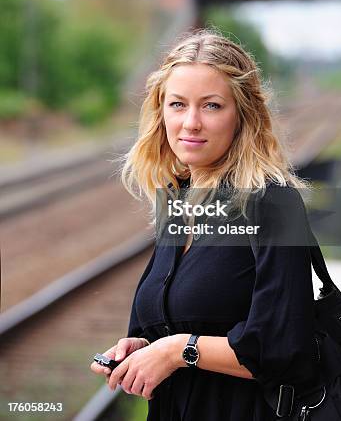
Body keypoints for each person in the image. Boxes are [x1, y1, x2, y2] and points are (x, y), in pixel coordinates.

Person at [90, 29, 320, 420]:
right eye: (178, 104)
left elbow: (281, 347)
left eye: (212, 106)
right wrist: (145, 345)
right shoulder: (178, 202)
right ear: (160, 112)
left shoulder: (273, 203)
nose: (191, 123)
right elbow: (187, 315)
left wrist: (177, 350)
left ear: (243, 115)